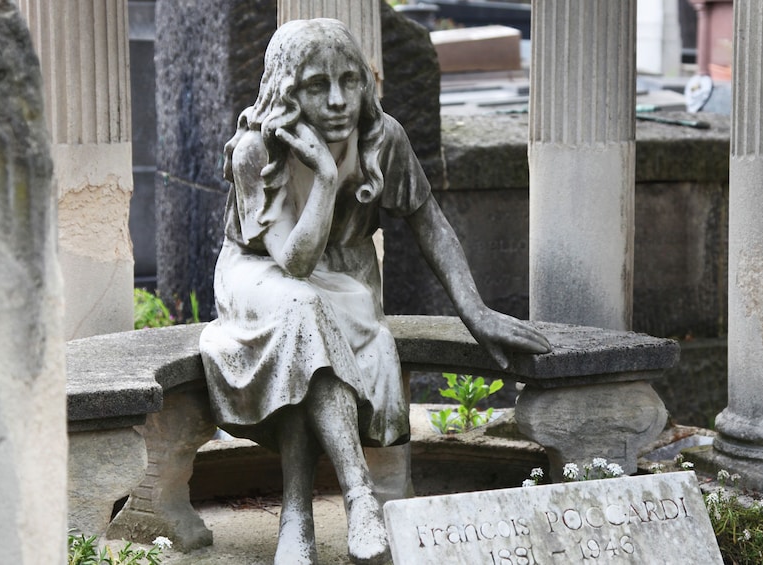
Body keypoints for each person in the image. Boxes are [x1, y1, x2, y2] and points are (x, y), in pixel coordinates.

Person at [199, 18, 550, 565]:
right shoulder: (255, 151)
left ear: (366, 82)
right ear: (286, 90)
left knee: (311, 330)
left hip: (344, 279)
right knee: (302, 307)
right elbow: (293, 262)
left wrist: (476, 311)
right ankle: (357, 494)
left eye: (350, 80)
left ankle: (298, 513)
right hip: (258, 276)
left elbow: (428, 220)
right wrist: (321, 176)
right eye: (317, 85)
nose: (338, 100)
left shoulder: (383, 138)